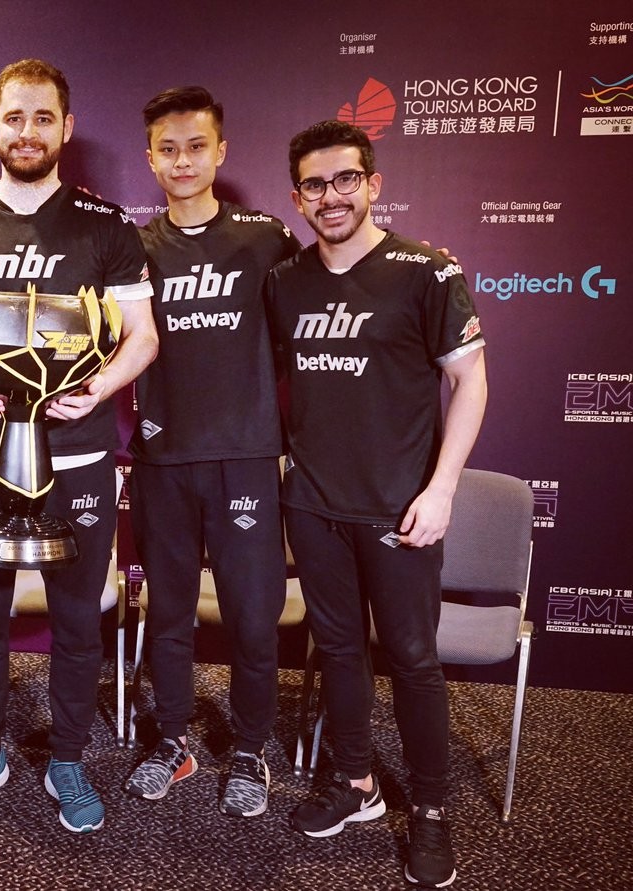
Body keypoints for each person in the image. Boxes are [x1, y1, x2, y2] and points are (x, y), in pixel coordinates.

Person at [0, 58, 158, 833]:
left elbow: (143, 335)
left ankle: (69, 758)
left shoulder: (107, 224)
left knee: (77, 615)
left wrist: (101, 387)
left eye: (42, 118)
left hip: (77, 454)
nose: (27, 132)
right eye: (14, 117)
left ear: (66, 128)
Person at [265, 120, 487, 889]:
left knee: (414, 659)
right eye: (315, 185)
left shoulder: (427, 271)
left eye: (346, 179)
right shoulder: (284, 281)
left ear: (373, 184)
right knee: (337, 650)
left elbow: (471, 381)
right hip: (313, 506)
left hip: (401, 509)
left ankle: (429, 807)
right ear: (297, 197)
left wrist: (443, 486)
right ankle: (357, 782)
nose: (331, 196)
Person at [123, 87, 300, 817]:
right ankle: (172, 740)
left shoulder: (265, 239)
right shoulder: (134, 248)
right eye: (168, 149)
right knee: (168, 614)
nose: (183, 161)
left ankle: (250, 748)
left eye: (196, 146)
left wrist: (418, 274)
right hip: (163, 460)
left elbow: (321, 306)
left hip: (246, 457)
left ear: (220, 151)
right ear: (150, 158)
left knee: (253, 618)